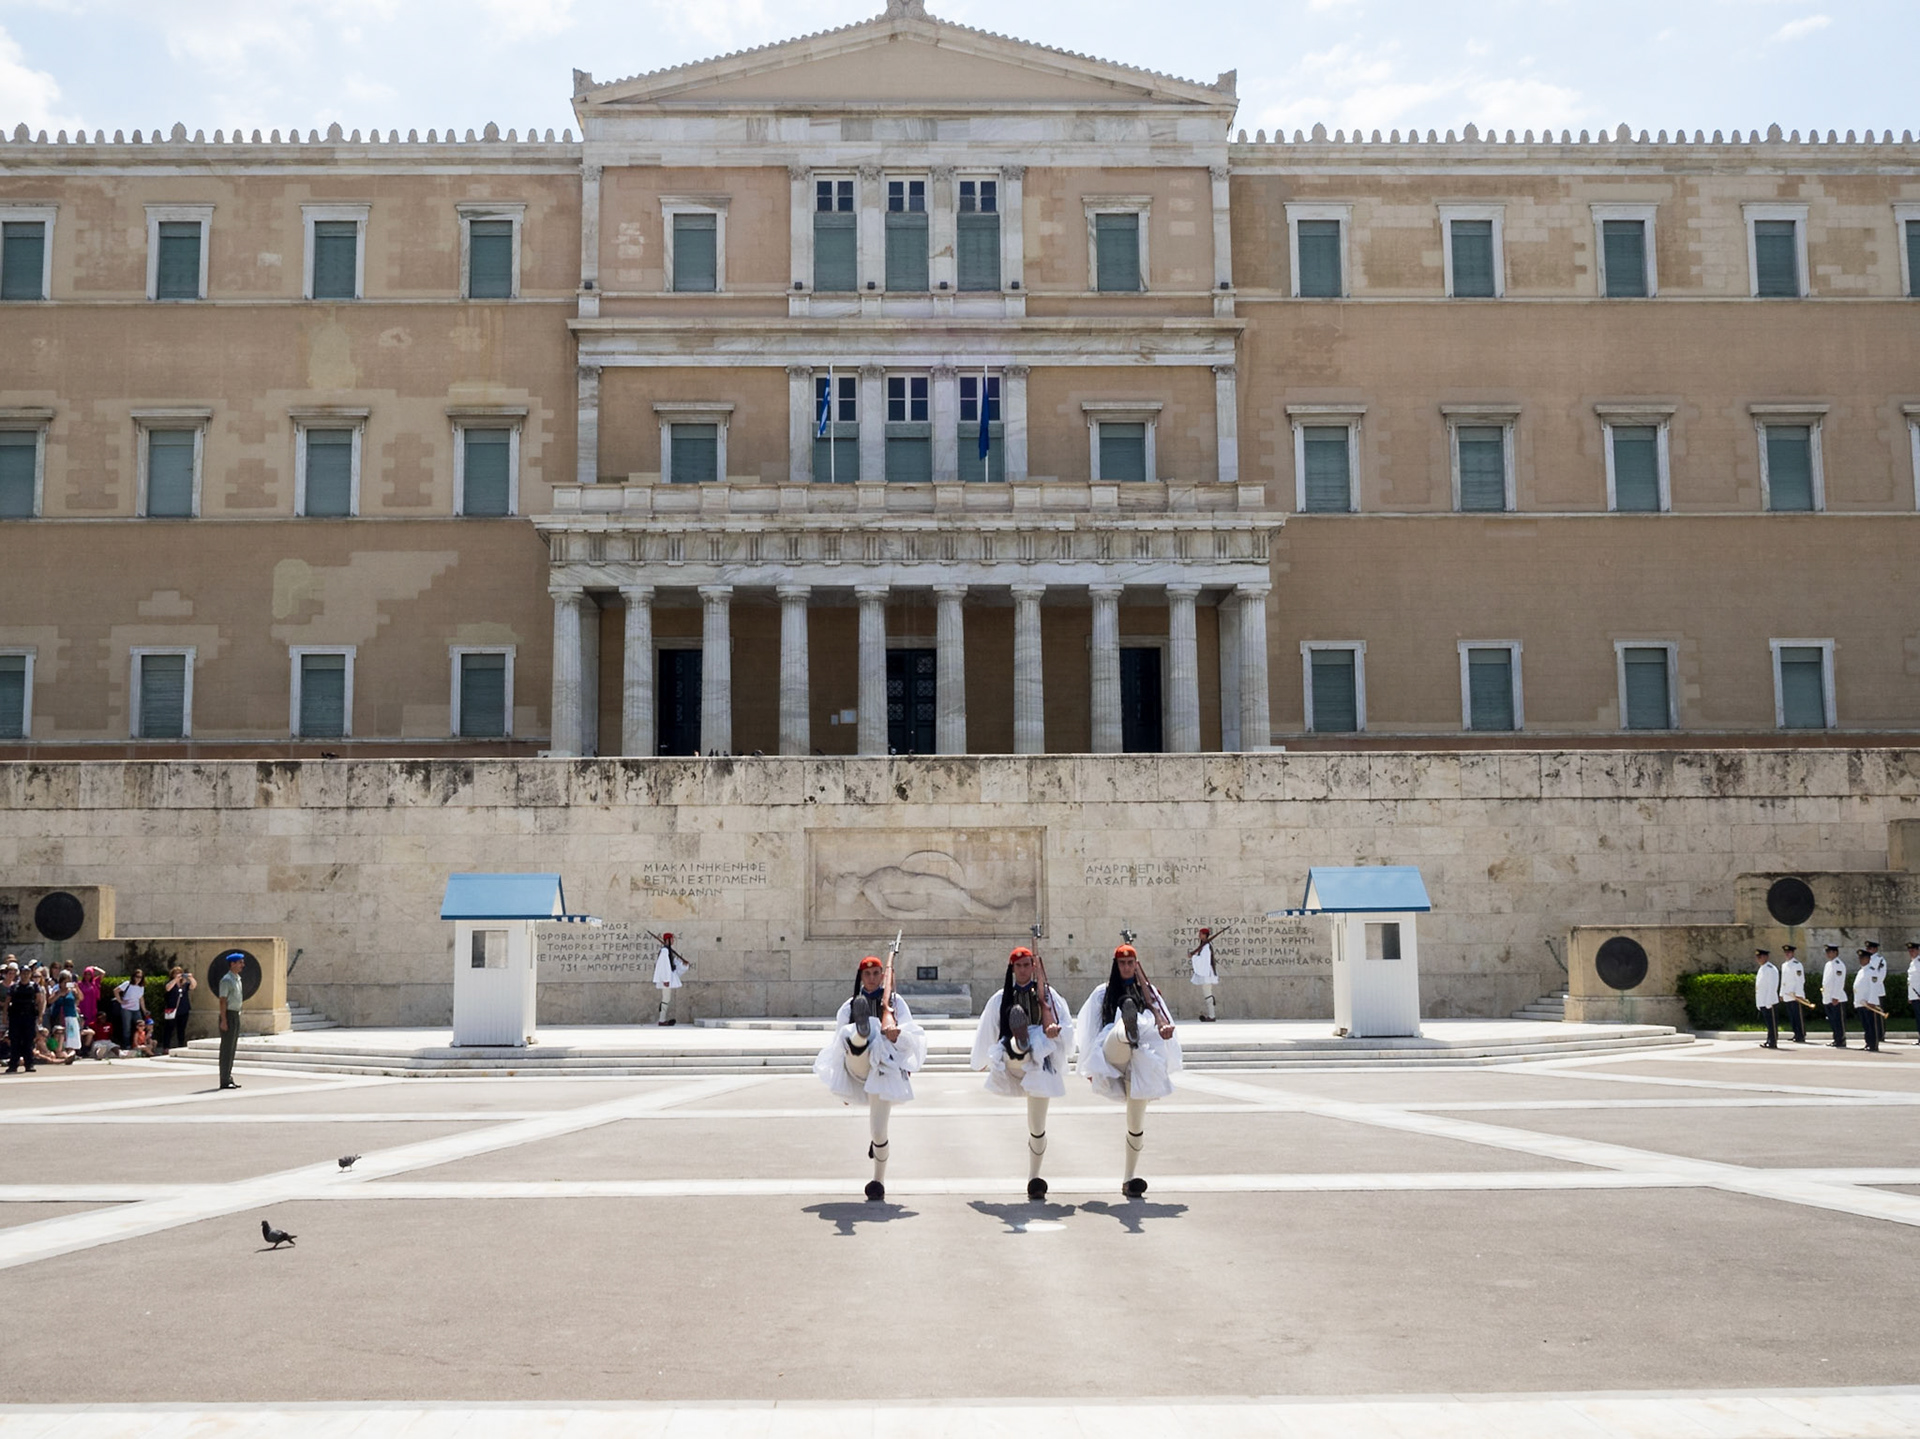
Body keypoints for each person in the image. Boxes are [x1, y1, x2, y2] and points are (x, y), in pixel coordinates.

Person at [812, 954, 927, 1202]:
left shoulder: (896, 1003)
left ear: (882, 976)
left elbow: (913, 1036)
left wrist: (898, 1035)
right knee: (850, 1036)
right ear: (860, 977)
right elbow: (835, 1047)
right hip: (858, 1066)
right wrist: (839, 1083)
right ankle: (862, 1034)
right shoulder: (848, 1007)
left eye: (877, 974)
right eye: (868, 974)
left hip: (885, 1070)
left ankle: (878, 1181)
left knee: (878, 1132)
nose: (872, 979)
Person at [1076, 943, 1182, 1198]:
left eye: (1130, 963)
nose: (1126, 967)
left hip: (1141, 1062)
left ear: (1136, 965)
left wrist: (1165, 1032)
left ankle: (1129, 1179)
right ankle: (1127, 1025)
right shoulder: (1102, 994)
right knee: (1119, 1033)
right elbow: (1088, 1029)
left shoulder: (1150, 994)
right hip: (1112, 1054)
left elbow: (1165, 1022)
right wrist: (1089, 1066)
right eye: (1122, 963)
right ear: (1116, 965)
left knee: (1135, 1124)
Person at [970, 945, 1075, 1200]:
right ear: (1012, 969)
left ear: (1034, 967)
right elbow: (988, 1028)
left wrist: (1055, 1033)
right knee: (1014, 1046)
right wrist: (980, 1061)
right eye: (1019, 966)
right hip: (1012, 1061)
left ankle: (1034, 1178)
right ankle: (1021, 1042)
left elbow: (1068, 1031)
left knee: (1037, 1127)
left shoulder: (1049, 998)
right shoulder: (1000, 999)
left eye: (1028, 965)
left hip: (1040, 1063)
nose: (1023, 970)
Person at [5, 959, 40, 1074]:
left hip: (29, 1017)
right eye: (23, 973)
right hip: (16, 1017)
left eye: (27, 973)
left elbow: (39, 1001)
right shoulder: (14, 987)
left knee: (28, 1041)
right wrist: (5, 1015)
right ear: (20, 974)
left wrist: (39, 1015)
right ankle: (13, 1065)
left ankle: (29, 1064)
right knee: (15, 1041)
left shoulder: (34, 986)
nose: (25, 975)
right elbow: (7, 1002)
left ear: (30, 974)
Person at [217, 952, 245, 1090]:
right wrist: (224, 1020)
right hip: (228, 1015)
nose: (242, 965)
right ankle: (224, 1079)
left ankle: (228, 1077)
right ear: (232, 964)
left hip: (235, 1014)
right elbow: (222, 1001)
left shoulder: (237, 979)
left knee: (232, 1048)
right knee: (226, 1049)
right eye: (240, 962)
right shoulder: (226, 980)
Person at [1853, 946, 1887, 1053]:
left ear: (1868, 959)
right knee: (1866, 1025)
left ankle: (1873, 1044)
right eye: (1860, 958)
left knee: (1871, 1025)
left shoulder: (1872, 971)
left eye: (1863, 958)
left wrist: (1872, 1001)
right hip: (1862, 1003)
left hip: (1869, 1003)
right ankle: (1868, 1043)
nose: (1861, 960)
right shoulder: (1861, 971)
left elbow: (1874, 987)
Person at [653, 932, 687, 1027]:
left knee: (666, 999)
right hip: (666, 979)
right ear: (668, 939)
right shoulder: (664, 951)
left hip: (667, 978)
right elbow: (664, 966)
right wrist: (666, 979)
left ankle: (662, 1019)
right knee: (666, 999)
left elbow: (673, 963)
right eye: (672, 939)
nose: (673, 941)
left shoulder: (668, 950)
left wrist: (683, 964)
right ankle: (662, 1020)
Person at [1188, 927, 1220, 1022]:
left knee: (1208, 994)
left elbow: (1204, 960)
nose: (1199, 935)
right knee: (1207, 993)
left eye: (1201, 934)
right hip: (1206, 973)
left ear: (1205, 935)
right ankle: (1211, 1015)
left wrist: (1193, 957)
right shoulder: (1204, 945)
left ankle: (1212, 1015)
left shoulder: (1206, 947)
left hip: (1207, 973)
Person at [1778, 945, 1808, 1045]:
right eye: (1786, 952)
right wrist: (1781, 993)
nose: (1787, 954)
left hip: (1795, 995)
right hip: (1787, 995)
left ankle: (1801, 1034)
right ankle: (1795, 1033)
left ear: (1793, 953)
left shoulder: (1797, 964)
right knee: (1792, 1016)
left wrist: (1798, 995)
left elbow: (1800, 980)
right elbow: (1783, 981)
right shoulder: (1784, 965)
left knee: (1797, 1015)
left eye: (1789, 952)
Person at [162, 965, 195, 1053]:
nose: (178, 974)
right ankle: (166, 1046)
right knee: (169, 1028)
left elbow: (193, 986)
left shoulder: (184, 985)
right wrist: (175, 980)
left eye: (180, 973)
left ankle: (180, 1044)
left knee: (181, 1029)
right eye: (176, 973)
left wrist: (191, 978)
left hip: (183, 1009)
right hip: (172, 1010)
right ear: (172, 974)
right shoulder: (170, 983)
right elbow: (168, 988)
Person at [1821, 945, 1849, 1048]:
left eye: (1830, 952)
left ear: (1836, 953)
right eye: (1827, 952)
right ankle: (1836, 1039)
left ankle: (1841, 1040)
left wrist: (1835, 996)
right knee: (1833, 1021)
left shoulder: (1838, 964)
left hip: (1837, 998)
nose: (1828, 954)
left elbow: (1839, 982)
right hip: (1828, 998)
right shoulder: (1828, 964)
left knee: (1838, 1021)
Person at [1753, 949, 1779, 1049]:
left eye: (1761, 957)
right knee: (1768, 1023)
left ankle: (1773, 1041)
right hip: (1763, 1001)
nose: (1759, 959)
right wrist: (1759, 1002)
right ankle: (1769, 1040)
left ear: (1766, 957)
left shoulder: (1771, 969)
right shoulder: (1762, 968)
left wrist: (1769, 1002)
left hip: (1770, 1001)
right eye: (1757, 957)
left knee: (1772, 1023)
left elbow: (1772, 986)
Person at [114, 968, 147, 1049]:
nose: (138, 979)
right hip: (126, 1009)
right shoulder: (127, 984)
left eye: (140, 977)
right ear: (133, 976)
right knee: (127, 1028)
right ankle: (126, 1045)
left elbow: (141, 998)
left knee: (140, 1027)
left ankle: (138, 1044)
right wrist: (120, 1001)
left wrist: (144, 1009)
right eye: (137, 976)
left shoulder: (141, 987)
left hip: (136, 1009)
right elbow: (115, 990)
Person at [1908, 943, 1920, 1046]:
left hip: (1919, 995)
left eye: (1913, 950)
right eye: (1909, 951)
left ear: (1918, 950)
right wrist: (1910, 996)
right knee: (1918, 1018)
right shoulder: (1913, 963)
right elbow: (1911, 982)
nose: (1911, 952)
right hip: (1915, 996)